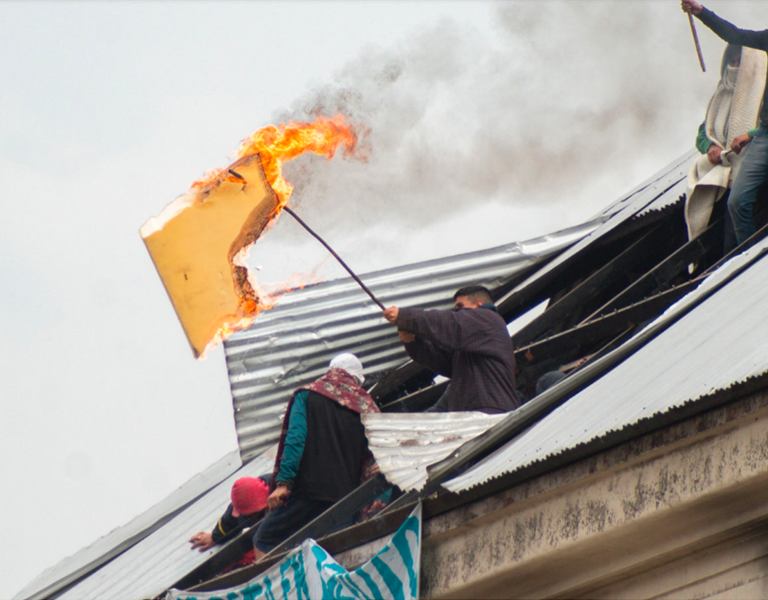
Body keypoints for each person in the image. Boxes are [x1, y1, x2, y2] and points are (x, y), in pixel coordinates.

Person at [251, 353, 380, 561]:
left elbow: (296, 439)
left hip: (305, 494)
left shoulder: (306, 396)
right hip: (345, 501)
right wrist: (377, 497)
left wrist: (283, 484)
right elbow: (381, 453)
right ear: (355, 380)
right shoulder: (367, 408)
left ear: (331, 372)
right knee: (333, 555)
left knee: (264, 541)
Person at [682, 0, 768, 250]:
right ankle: (750, 259)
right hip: (764, 135)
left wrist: (747, 135)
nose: (736, 65)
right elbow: (735, 34)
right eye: (732, 60)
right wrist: (701, 12)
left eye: (740, 61)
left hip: (757, 137)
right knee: (736, 203)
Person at [382, 285, 520, 414]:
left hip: (491, 412)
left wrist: (405, 316)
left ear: (479, 305)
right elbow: (440, 360)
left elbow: (451, 322)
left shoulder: (488, 318)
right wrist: (413, 342)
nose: (457, 312)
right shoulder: (470, 345)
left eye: (460, 307)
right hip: (477, 414)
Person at [189, 476, 270, 552]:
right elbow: (229, 522)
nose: (244, 516)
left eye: (250, 514)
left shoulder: (279, 489)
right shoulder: (241, 508)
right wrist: (215, 536)